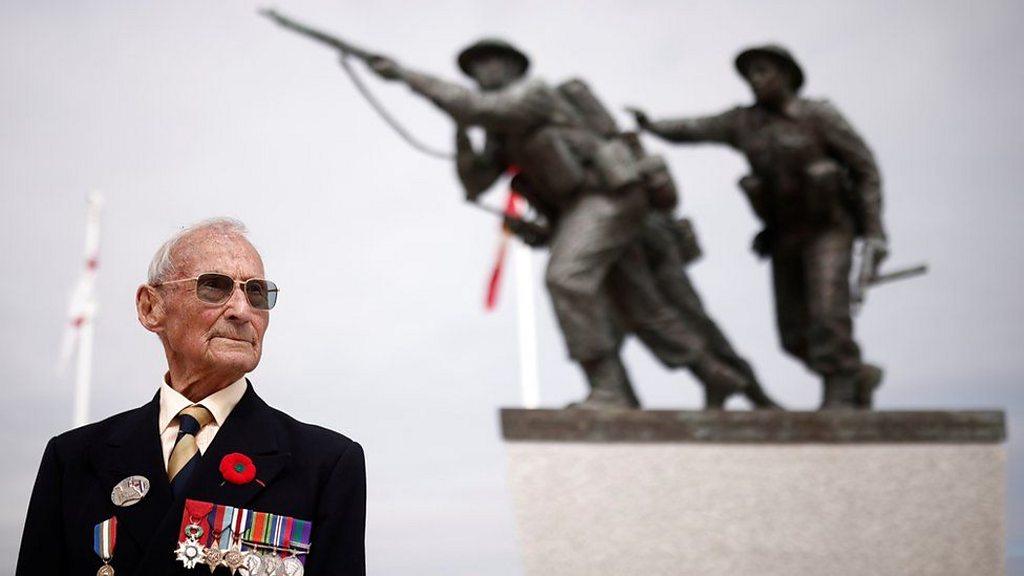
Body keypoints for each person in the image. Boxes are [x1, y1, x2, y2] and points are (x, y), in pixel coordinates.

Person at [364, 39, 770, 409]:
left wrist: (405, 76)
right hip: (585, 209)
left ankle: (608, 388)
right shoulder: (500, 132)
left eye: (489, 65)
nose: (481, 75)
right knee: (638, 304)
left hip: (607, 196)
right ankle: (714, 374)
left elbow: (480, 108)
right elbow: (475, 181)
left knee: (567, 277)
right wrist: (460, 130)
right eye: (474, 70)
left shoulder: (535, 95)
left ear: (512, 67)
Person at [16, 218, 366, 575]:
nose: (242, 311)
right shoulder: (74, 460)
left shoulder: (324, 466)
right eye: (215, 287)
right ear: (151, 307)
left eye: (257, 293)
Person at [629, 45, 888, 409]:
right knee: (793, 335)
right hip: (784, 234)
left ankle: (839, 394)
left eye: (763, 70)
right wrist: (652, 125)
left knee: (828, 314)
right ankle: (855, 374)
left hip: (828, 227)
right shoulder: (744, 122)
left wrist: (875, 232)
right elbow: (697, 128)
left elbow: (865, 169)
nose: (755, 80)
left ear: (786, 74)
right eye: (749, 74)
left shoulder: (818, 116)